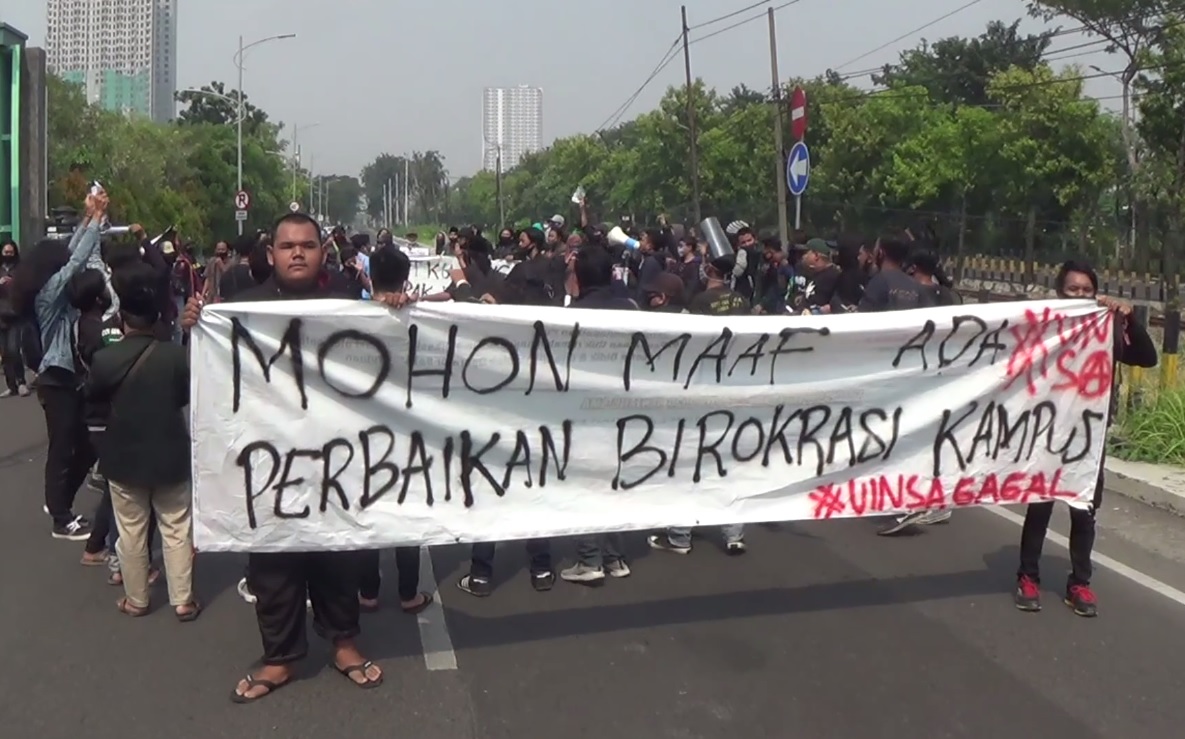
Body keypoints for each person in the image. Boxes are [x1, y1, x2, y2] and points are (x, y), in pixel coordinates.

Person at [181, 212, 390, 702]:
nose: (297, 252)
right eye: (287, 245)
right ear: (270, 253)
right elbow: (211, 379)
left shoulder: (348, 306)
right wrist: (193, 327)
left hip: (337, 464)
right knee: (274, 567)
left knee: (338, 557)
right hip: (268, 470)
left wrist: (392, 309)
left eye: (308, 245)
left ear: (323, 252)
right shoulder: (239, 311)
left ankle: (344, 643)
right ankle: (280, 658)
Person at [1014, 260, 1157, 618]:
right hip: (1050, 432)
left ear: (1096, 293)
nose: (1079, 295)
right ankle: (1027, 577)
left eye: (1086, 290)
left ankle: (1079, 582)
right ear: (1059, 292)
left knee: (1084, 510)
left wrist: (1130, 321)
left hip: (1088, 438)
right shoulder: (1046, 327)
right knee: (1041, 504)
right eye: (1072, 289)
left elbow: (1148, 358)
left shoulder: (1107, 327)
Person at [86, 263, 198, 620]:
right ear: (157, 320)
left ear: (123, 319)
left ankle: (137, 598)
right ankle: (183, 599)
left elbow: (94, 400)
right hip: (171, 451)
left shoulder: (104, 359)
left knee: (131, 531)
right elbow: (184, 397)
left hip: (124, 454)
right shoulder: (176, 356)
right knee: (177, 526)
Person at [11, 190, 108, 540]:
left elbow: (71, 251)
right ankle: (60, 518)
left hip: (66, 378)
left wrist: (89, 217)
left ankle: (59, 504)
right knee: (62, 447)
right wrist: (96, 221)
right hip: (56, 379)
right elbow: (76, 260)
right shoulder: (49, 294)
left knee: (82, 447)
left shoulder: (47, 289)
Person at [357, 246, 434, 614]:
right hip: (407, 436)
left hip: (359, 433)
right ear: (406, 278)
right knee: (405, 510)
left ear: (369, 275)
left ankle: (367, 591)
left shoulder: (344, 314)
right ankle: (408, 593)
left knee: (367, 508)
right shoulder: (421, 318)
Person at [560, 246, 636, 585]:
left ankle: (590, 560)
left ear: (578, 278)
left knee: (585, 485)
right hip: (627, 412)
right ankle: (615, 557)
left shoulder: (573, 315)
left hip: (585, 414)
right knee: (613, 484)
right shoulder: (633, 308)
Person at [0, 239, 32, 397]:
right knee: (4, 353)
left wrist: (13, 283)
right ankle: (10, 385)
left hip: (14, 314)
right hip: (1, 315)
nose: (8, 255)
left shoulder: (20, 269)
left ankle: (21, 382)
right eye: (5, 252)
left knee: (13, 349)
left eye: (10, 252)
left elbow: (26, 287)